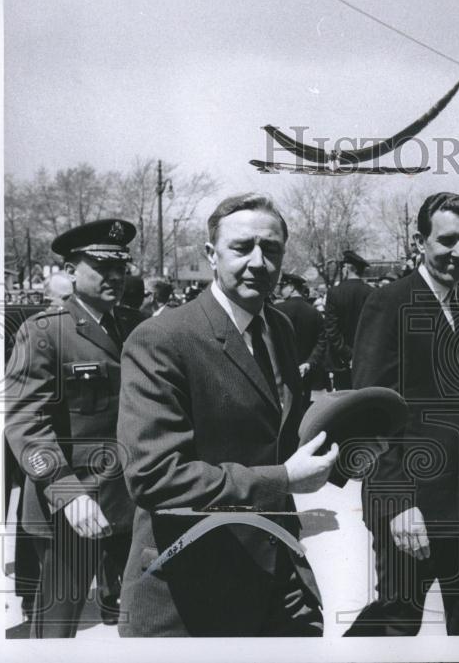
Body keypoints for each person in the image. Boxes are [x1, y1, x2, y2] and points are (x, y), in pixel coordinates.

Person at [116, 194, 339, 636]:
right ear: (211, 255)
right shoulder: (162, 338)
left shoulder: (280, 327)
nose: (258, 262)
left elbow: (274, 433)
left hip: (275, 581)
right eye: (242, 247)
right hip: (189, 591)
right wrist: (284, 479)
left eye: (271, 249)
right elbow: (153, 475)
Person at [345, 192, 459, 636]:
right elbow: (369, 415)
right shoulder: (389, 303)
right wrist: (398, 504)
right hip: (410, 508)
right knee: (396, 627)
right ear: (420, 241)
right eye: (447, 240)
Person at [4, 219, 141, 637]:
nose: (115, 277)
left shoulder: (134, 326)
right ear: (70, 270)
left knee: (140, 616)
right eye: (102, 266)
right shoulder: (46, 332)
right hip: (70, 504)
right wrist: (67, 493)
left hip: (129, 498)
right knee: (57, 627)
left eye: (121, 267)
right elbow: (26, 422)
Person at [323, 250, 374, 390]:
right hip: (365, 360)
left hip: (340, 361)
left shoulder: (334, 293)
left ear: (347, 268)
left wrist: (347, 354)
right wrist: (358, 355)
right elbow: (373, 330)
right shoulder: (371, 292)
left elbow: (331, 330)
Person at [274, 272, 327, 398]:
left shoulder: (276, 310)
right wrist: (309, 363)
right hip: (306, 371)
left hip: (281, 371)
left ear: (291, 287)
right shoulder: (315, 313)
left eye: (283, 286)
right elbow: (322, 342)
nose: (281, 290)